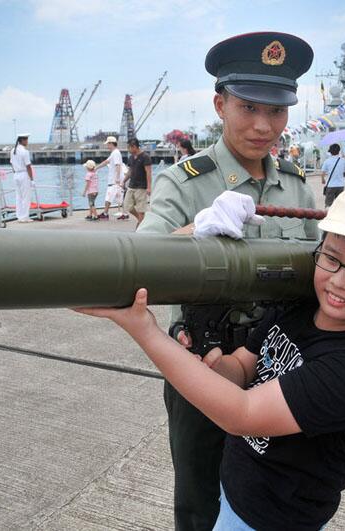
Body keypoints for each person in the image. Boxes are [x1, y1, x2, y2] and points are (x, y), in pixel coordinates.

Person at [79, 188, 345, 530]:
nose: (338, 281)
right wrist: (209, 364)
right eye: (331, 258)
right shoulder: (301, 306)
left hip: (276, 519)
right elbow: (244, 366)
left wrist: (145, 331)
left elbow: (241, 414)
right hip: (237, 493)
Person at [136, 31, 318, 530]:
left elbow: (318, 270)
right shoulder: (184, 181)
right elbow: (139, 262)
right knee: (200, 498)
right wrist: (196, 229)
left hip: (278, 366)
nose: (263, 126)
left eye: (276, 111)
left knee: (272, 496)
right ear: (220, 105)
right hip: (204, 363)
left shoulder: (296, 185)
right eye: (248, 108)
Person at [95, 136, 127, 220]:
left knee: (109, 197)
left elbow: (117, 165)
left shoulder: (115, 153)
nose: (107, 146)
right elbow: (106, 162)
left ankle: (105, 213)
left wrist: (117, 178)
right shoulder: (114, 153)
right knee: (120, 197)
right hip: (116, 179)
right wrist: (96, 168)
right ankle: (125, 213)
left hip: (114, 180)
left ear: (111, 144)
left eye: (108, 144)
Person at [122, 138, 152, 227]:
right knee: (127, 206)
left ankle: (140, 227)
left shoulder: (145, 157)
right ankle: (140, 220)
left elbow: (148, 173)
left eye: (129, 147)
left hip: (141, 187)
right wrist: (123, 181)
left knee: (141, 209)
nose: (128, 149)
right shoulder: (131, 157)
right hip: (132, 185)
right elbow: (130, 171)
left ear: (134, 147)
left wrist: (149, 187)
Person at [10, 133, 34, 223]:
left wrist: (15, 172)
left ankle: (19, 216)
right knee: (26, 197)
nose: (27, 142)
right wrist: (32, 179)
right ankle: (25, 217)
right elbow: (28, 166)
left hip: (16, 174)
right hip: (24, 174)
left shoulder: (13, 150)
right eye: (26, 140)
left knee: (18, 197)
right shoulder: (25, 151)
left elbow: (11, 163)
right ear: (22, 140)